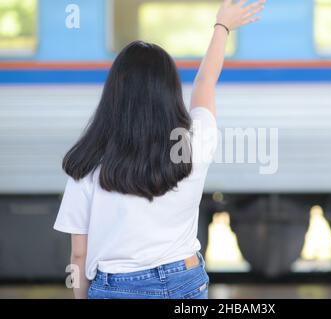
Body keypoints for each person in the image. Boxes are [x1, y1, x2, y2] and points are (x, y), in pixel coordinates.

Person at [53, 0, 265, 299]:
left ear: (114, 94)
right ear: (170, 91)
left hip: (118, 287)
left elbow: (79, 256)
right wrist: (222, 27)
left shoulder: (87, 162)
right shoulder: (192, 141)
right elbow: (206, 82)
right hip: (186, 281)